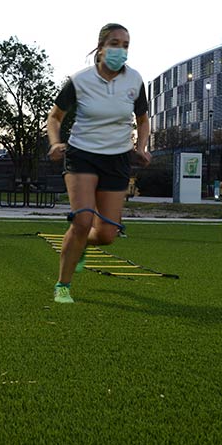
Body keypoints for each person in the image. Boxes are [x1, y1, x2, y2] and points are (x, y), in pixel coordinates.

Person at [46, 23, 151, 304]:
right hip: (82, 154)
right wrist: (55, 143)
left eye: (126, 45)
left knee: (106, 234)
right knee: (81, 221)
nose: (121, 50)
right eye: (115, 43)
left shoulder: (136, 81)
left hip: (117, 158)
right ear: (101, 47)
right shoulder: (80, 80)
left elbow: (142, 121)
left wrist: (140, 148)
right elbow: (55, 117)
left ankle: (81, 245)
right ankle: (63, 285)